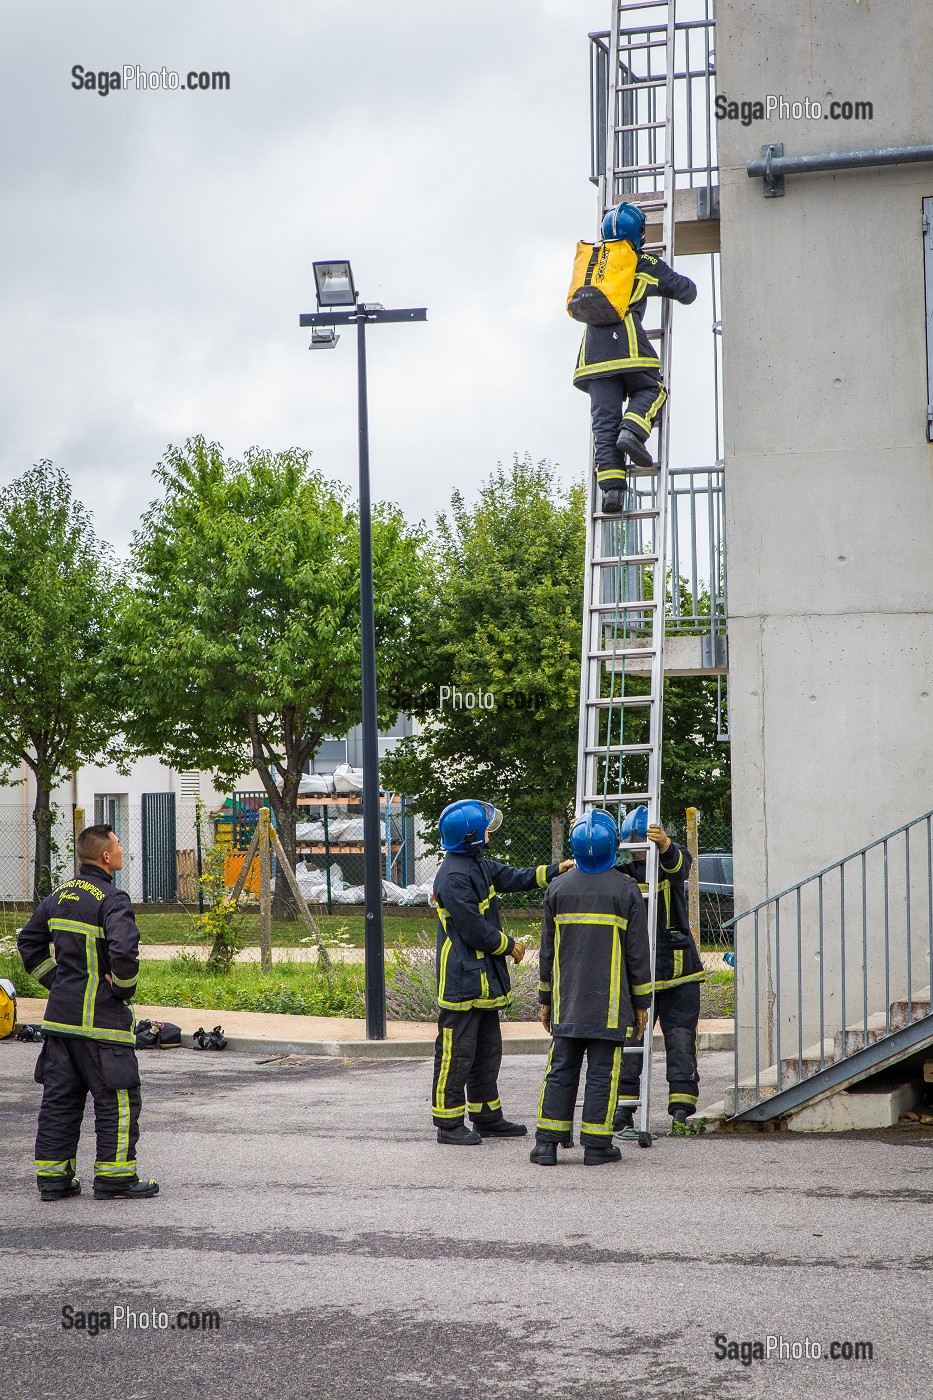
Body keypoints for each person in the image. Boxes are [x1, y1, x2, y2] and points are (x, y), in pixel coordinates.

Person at [17, 824, 159, 1200]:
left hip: (61, 1024)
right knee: (119, 1100)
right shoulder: (113, 899)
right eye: (118, 844)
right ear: (106, 857)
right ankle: (115, 1179)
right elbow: (124, 953)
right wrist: (122, 990)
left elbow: (28, 944)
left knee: (59, 1103)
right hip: (102, 1024)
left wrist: (58, 983)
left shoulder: (56, 897)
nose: (122, 849)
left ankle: (53, 1180)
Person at [431, 799, 573, 1145]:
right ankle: (448, 1124)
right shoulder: (453, 875)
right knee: (457, 1051)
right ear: (472, 837)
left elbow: (513, 876)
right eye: (484, 829)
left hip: (482, 976)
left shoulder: (473, 863)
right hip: (462, 978)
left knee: (487, 1049)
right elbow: (473, 929)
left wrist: (557, 870)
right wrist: (508, 945)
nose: (488, 833)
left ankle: (486, 1116)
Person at [531, 809, 652, 1167]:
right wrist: (642, 1001)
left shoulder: (558, 888)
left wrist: (544, 997)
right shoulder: (626, 889)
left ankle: (546, 1145)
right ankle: (597, 1146)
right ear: (613, 846)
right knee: (603, 1073)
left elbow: (547, 950)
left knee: (561, 1069)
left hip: (566, 1001)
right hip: (610, 1004)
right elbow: (637, 953)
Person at [573, 201, 697, 515]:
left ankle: (612, 492)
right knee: (653, 391)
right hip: (626, 344)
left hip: (591, 356)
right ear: (639, 233)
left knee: (603, 425)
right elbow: (685, 291)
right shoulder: (642, 262)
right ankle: (633, 430)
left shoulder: (594, 265)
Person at [614, 808, 705, 1136]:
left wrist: (665, 845)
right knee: (630, 1041)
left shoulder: (673, 855)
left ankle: (681, 1110)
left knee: (680, 1037)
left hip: (678, 970)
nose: (639, 850)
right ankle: (623, 1112)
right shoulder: (621, 873)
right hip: (638, 972)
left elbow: (679, 865)